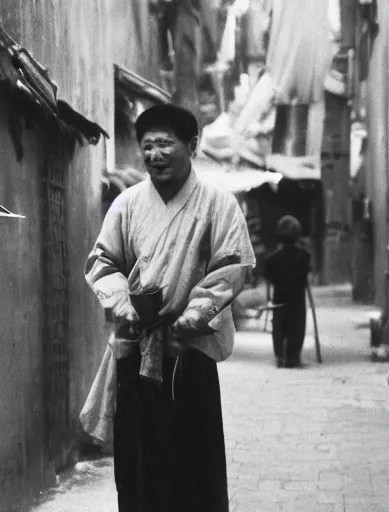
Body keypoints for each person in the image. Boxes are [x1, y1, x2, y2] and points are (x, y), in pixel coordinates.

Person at [80, 103, 255, 512]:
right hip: (136, 350)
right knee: (137, 466)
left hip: (189, 353)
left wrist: (190, 318)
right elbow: (103, 261)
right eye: (148, 146)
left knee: (195, 465)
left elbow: (232, 266)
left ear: (191, 146)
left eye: (165, 144)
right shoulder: (127, 204)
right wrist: (123, 303)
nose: (155, 154)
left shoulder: (218, 204)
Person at [264, 215, 310, 368]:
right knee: (297, 326)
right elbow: (305, 274)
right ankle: (293, 356)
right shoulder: (304, 256)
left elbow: (268, 275)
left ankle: (280, 356)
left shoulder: (274, 258)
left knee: (279, 326)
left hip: (280, 298)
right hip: (297, 298)